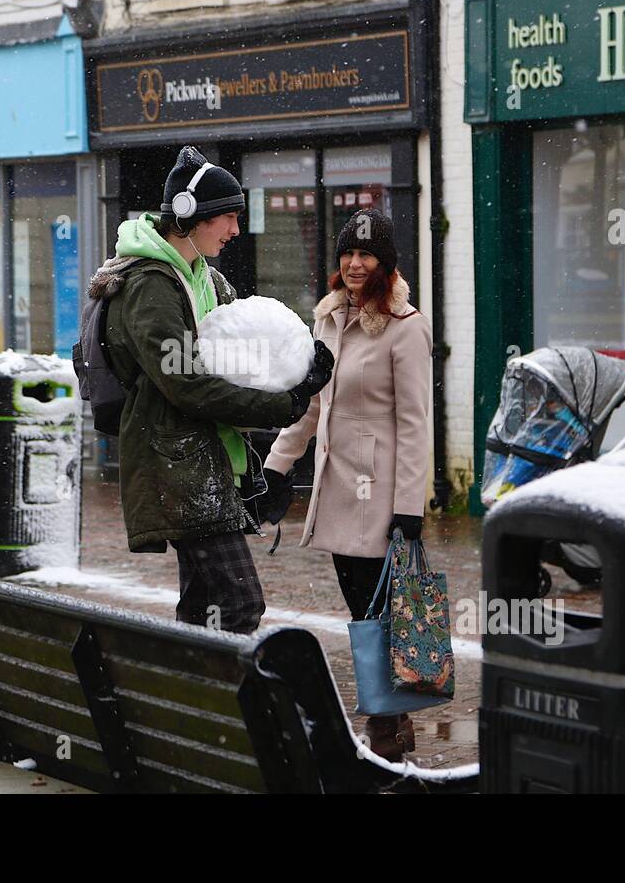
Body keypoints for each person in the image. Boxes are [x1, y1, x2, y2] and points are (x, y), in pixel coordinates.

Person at [86, 147, 334, 635]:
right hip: (177, 465)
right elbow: (187, 384)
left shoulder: (204, 279)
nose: (236, 231)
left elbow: (241, 356)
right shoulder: (151, 286)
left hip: (204, 460)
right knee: (240, 603)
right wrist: (283, 406)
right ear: (188, 214)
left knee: (203, 610)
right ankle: (225, 707)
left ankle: (185, 703)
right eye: (227, 218)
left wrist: (301, 369)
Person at [259, 208, 433, 761]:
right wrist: (276, 466)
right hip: (338, 492)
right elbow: (312, 405)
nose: (356, 264)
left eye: (367, 254)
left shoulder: (407, 327)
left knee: (381, 614)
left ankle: (385, 731)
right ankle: (392, 724)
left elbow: (415, 422)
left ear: (386, 263)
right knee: (364, 613)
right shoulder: (329, 319)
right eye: (348, 255)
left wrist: (409, 507)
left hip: (380, 495)